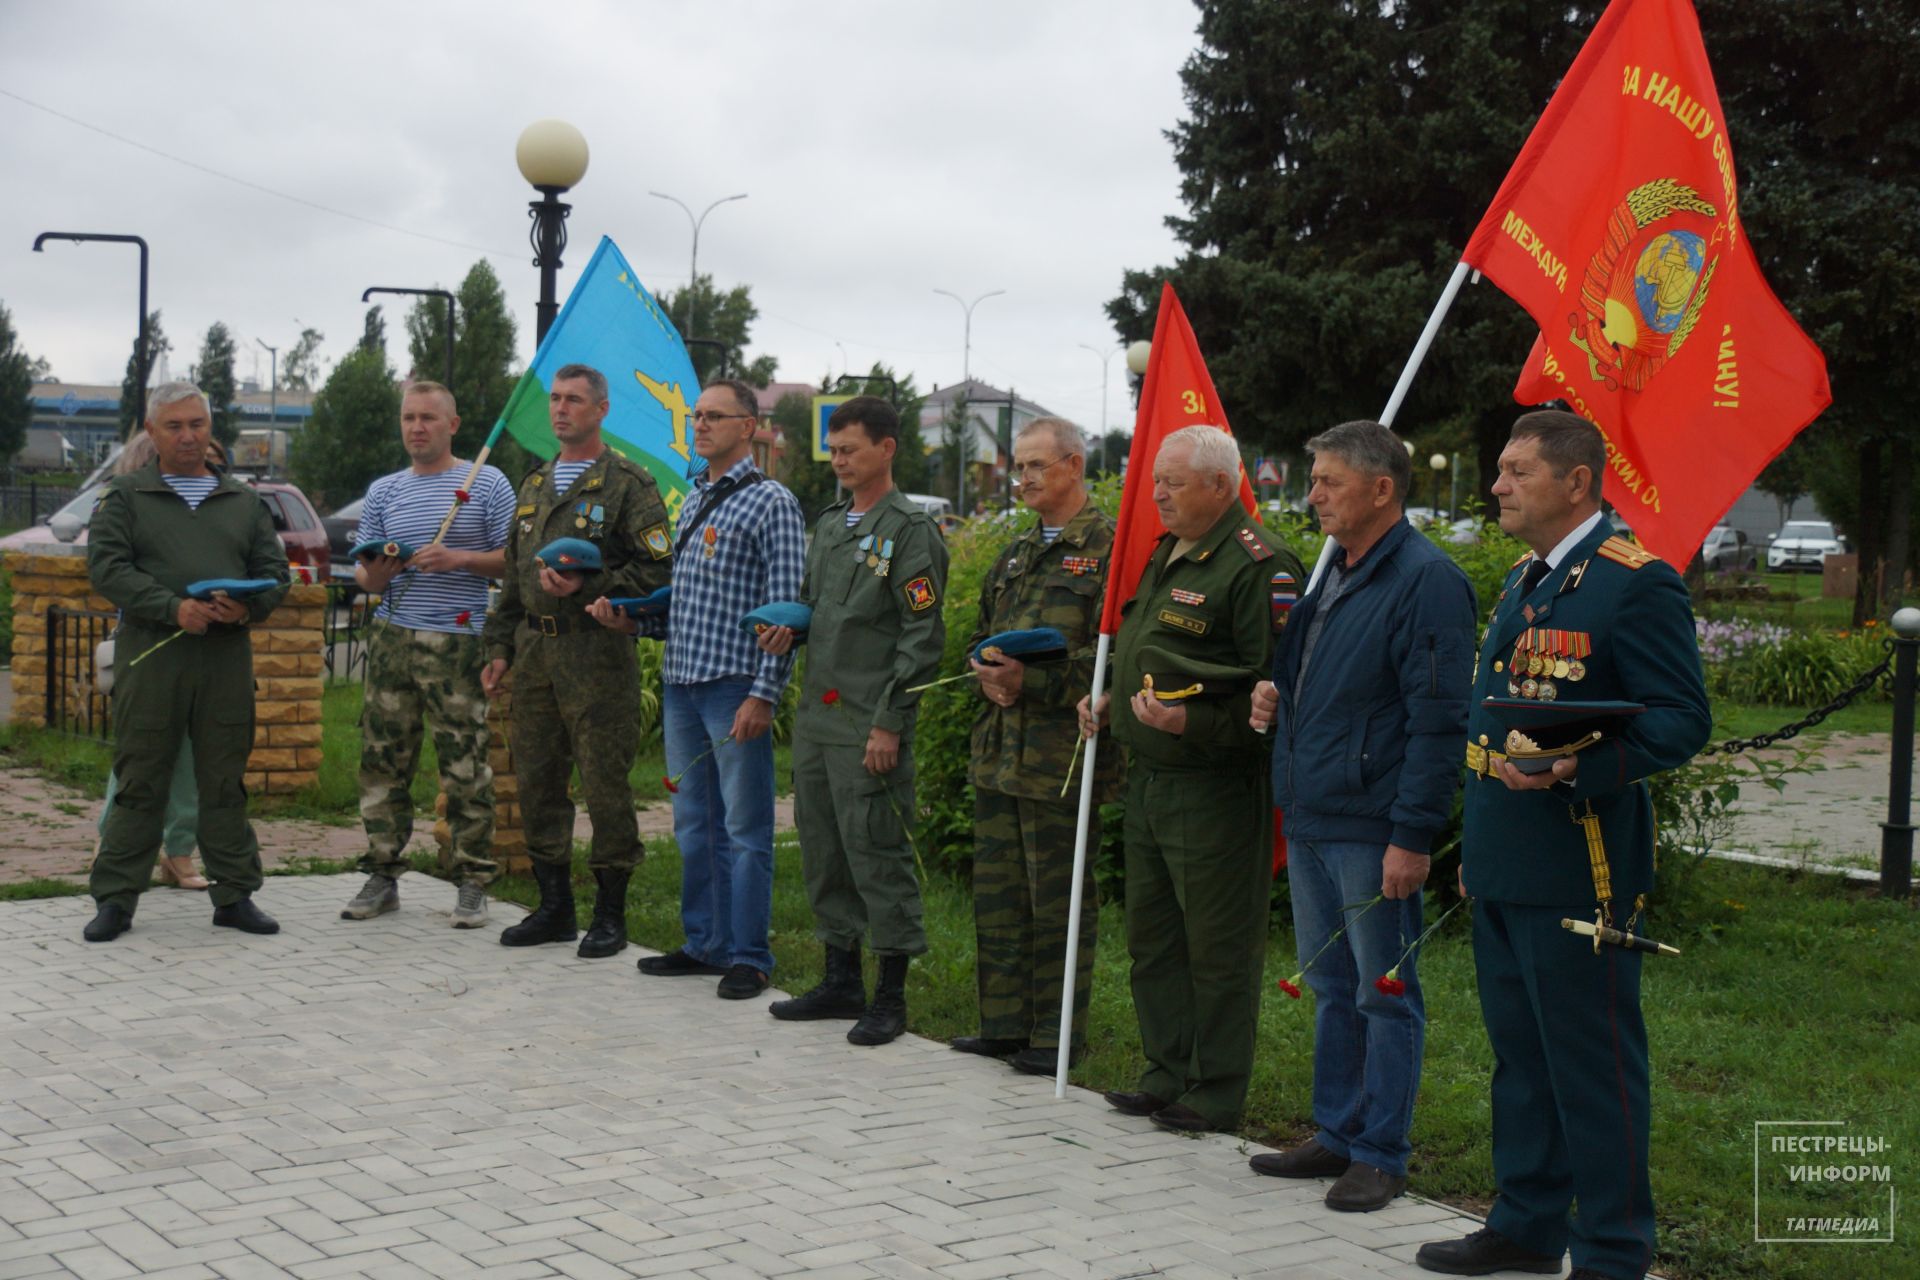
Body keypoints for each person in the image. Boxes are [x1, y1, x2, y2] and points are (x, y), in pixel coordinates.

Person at [1414, 411, 1709, 1280]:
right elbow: (1493, 727)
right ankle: (1528, 1225)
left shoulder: (1633, 582)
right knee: (1521, 1059)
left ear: (1577, 482)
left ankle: (1615, 1249)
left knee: (1592, 1066)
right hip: (1510, 859)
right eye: (1501, 470)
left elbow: (1681, 721)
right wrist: (1479, 851)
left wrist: (1579, 765)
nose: (1497, 485)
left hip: (1583, 866)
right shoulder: (1525, 578)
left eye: (1516, 471)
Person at [1246, 420, 1475, 1211]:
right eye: (1312, 480)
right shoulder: (1336, 570)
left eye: (1327, 481)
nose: (1310, 495)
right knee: (1333, 986)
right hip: (1313, 813)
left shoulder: (1426, 579)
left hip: (1374, 823)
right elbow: (1328, 682)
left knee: (1384, 989)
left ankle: (1382, 1151)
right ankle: (1338, 1134)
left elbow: (1439, 718)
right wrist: (1279, 698)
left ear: (1382, 489)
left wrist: (1413, 834)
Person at [1077, 424, 1304, 1133]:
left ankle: (1215, 1089)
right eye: (1155, 482)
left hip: (1213, 790)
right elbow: (1157, 655)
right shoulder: (1166, 551)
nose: (1159, 495)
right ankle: (1164, 1071)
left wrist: (1192, 727)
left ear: (1220, 485)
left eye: (1173, 482)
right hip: (1149, 782)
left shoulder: (1259, 568)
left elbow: (1276, 701)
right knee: (1155, 938)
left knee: (1217, 947)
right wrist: (1112, 697)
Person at [592, 378, 804, 999]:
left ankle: (749, 956)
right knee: (693, 824)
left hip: (734, 685)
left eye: (714, 416)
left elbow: (784, 609)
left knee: (745, 828)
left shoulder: (771, 503)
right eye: (696, 415)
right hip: (684, 681)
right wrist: (632, 619)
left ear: (749, 425)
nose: (700, 424)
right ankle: (703, 943)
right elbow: (686, 604)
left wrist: (764, 693)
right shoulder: (694, 499)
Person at [755, 395, 947, 1046]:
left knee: (876, 851)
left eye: (849, 450)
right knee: (826, 851)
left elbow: (921, 638)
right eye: (832, 451)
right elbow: (819, 608)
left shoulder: (911, 532)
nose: (838, 461)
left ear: (886, 449)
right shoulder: (832, 525)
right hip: (819, 721)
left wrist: (890, 721)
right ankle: (842, 981)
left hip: (870, 721)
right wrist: (790, 631)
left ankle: (890, 996)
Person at [82, 381, 289, 941]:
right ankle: (116, 900)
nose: (188, 436)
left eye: (197, 424)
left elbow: (276, 574)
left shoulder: (241, 502)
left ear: (209, 428)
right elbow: (107, 570)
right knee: (141, 776)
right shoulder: (125, 497)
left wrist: (243, 610)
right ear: (151, 432)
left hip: (224, 661)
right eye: (174, 426)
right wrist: (173, 608)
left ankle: (234, 895)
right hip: (154, 659)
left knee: (222, 779)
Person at [481, 364, 673, 957]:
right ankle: (555, 907)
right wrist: (498, 647)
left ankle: (610, 914)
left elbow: (658, 570)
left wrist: (593, 585)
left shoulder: (627, 484)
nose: (560, 409)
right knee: (538, 781)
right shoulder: (534, 484)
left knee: (604, 785)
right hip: (536, 653)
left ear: (601, 410)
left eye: (574, 400)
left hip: (595, 649)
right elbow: (515, 578)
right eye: (555, 400)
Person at [953, 416, 1120, 1077]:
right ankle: (1002, 1025)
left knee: (1058, 902)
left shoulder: (1109, 548)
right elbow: (982, 633)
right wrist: (990, 676)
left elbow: (1116, 657)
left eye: (1035, 467)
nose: (1021, 478)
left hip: (1061, 757)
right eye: (1018, 467)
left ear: (1075, 466)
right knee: (998, 899)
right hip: (1000, 753)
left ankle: (1056, 1038)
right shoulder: (1018, 551)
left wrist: (1037, 682)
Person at [339, 381, 514, 928]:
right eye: (409, 418)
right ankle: (383, 871)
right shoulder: (385, 490)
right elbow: (364, 577)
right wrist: (377, 574)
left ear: (452, 425)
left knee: (464, 765)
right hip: (393, 636)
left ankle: (473, 879)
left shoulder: (484, 482)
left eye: (428, 419)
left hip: (457, 642)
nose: (417, 427)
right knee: (382, 761)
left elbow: (515, 558)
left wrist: (461, 558)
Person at [93, 431, 205, 891]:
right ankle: (112, 847)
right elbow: (113, 571)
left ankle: (179, 853)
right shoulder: (122, 507)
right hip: (147, 646)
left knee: (189, 758)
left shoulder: (204, 508)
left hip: (201, 644)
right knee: (139, 757)